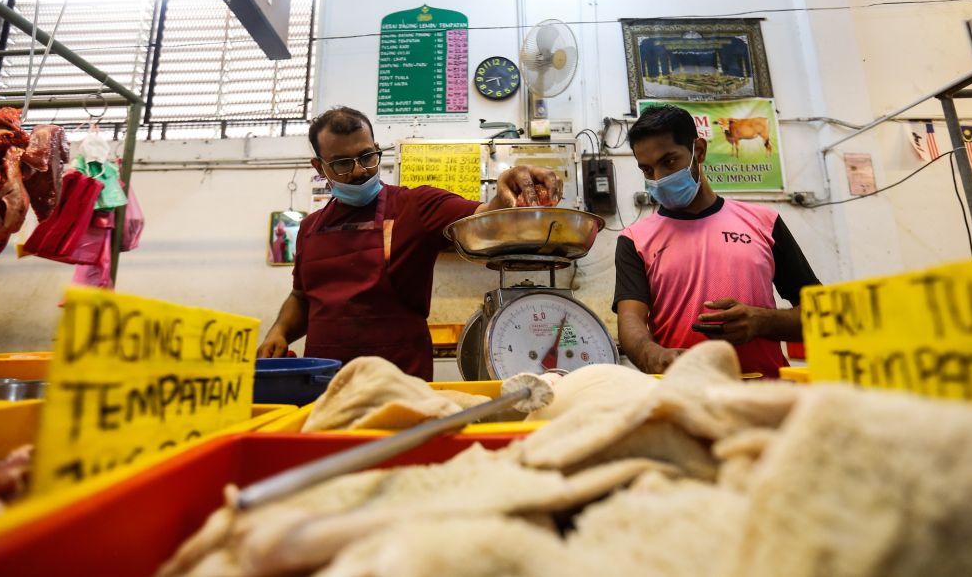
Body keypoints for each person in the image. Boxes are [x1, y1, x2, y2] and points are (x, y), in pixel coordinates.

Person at [257, 106, 563, 380]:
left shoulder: (415, 206)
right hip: (325, 384)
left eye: (366, 156)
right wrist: (280, 330)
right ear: (318, 166)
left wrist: (508, 187)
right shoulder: (310, 228)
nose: (359, 171)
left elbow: (486, 215)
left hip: (400, 382)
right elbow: (301, 296)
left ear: (377, 149)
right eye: (341, 164)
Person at [613, 104, 819, 377]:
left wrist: (761, 321)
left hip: (767, 396)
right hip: (683, 401)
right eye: (647, 170)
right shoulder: (634, 240)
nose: (658, 179)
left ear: (699, 151)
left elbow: (818, 314)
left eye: (669, 161)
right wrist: (653, 355)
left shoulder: (764, 223)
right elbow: (630, 321)